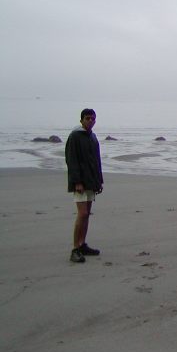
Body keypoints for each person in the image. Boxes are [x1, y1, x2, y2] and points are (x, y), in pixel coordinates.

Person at [65, 108, 104, 263]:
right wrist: (77, 182)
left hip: (91, 180)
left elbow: (96, 160)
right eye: (87, 118)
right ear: (81, 120)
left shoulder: (92, 137)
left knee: (87, 214)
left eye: (93, 119)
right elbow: (71, 159)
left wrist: (99, 180)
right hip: (80, 182)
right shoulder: (75, 136)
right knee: (82, 214)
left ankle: (82, 244)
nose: (90, 121)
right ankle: (75, 248)